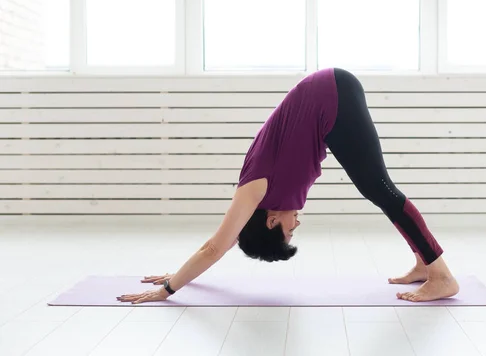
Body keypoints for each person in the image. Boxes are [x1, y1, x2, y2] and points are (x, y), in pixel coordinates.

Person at [117, 68, 459, 305]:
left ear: (270, 221)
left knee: (379, 188)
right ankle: (423, 263)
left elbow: (214, 248)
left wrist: (168, 287)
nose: (296, 225)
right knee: (376, 189)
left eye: (288, 231)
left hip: (333, 94)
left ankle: (441, 276)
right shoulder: (266, 200)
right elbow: (222, 244)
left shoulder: (256, 189)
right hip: (331, 97)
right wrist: (180, 273)